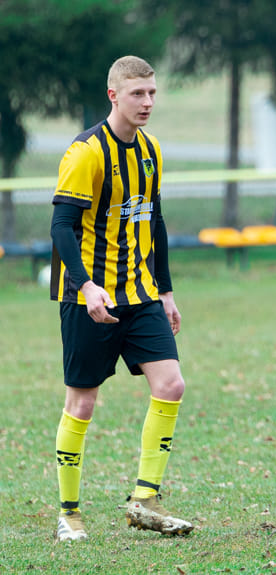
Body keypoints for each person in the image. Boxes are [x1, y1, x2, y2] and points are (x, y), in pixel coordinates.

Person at [49, 55, 194, 541]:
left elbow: (155, 223)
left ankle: (144, 499)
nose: (147, 102)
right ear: (114, 95)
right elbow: (61, 225)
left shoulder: (150, 150)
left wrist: (167, 290)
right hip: (89, 296)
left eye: (152, 92)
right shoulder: (86, 152)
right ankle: (69, 513)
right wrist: (87, 285)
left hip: (142, 294)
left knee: (171, 384)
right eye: (138, 93)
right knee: (83, 403)